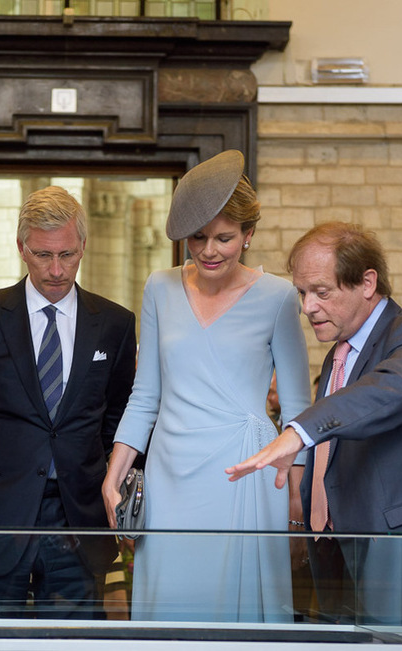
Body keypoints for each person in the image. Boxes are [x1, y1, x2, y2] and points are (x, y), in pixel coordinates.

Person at [228, 222, 402, 651]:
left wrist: (297, 432)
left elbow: (383, 392)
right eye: (302, 292)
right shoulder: (336, 358)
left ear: (366, 282)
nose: (307, 307)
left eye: (321, 292)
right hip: (343, 572)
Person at [101, 150, 312, 622]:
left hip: (247, 474)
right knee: (171, 606)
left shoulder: (278, 297)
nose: (210, 250)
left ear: (249, 235)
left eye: (225, 238)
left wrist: (297, 506)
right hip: (169, 474)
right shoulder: (160, 286)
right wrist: (114, 474)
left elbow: (299, 409)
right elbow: (146, 394)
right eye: (198, 238)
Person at [0, 185, 136, 617]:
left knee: (75, 642)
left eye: (67, 254)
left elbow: (117, 414)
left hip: (76, 515)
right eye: (43, 255)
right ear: (21, 248)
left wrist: (87, 465)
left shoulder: (115, 323)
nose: (57, 269)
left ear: (83, 245)